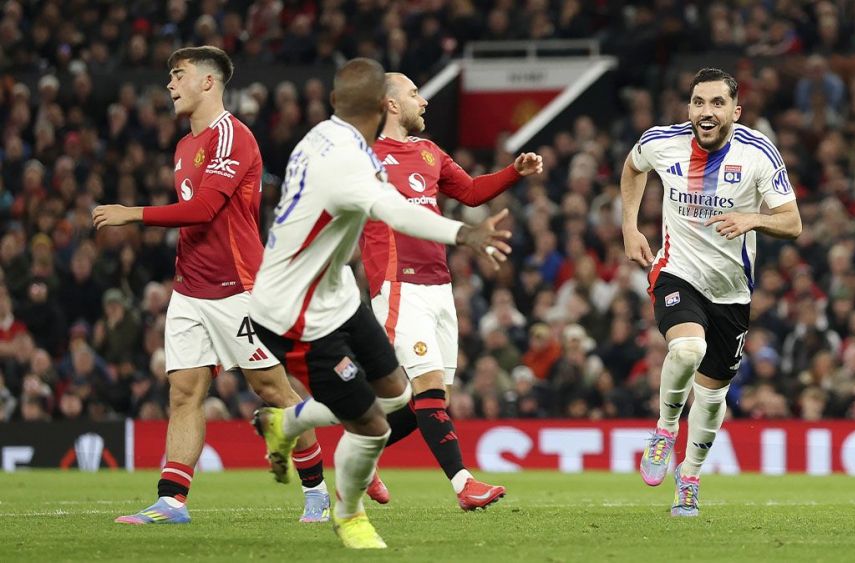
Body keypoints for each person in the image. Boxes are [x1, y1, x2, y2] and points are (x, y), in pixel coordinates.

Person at [249, 58, 511, 549]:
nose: (423, 100)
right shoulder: (348, 159)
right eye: (412, 93)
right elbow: (396, 212)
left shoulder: (342, 144)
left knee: (397, 399)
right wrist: (465, 234)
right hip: (298, 310)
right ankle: (353, 516)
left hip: (342, 295)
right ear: (379, 106)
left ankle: (289, 421)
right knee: (371, 423)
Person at [93, 46, 326, 525]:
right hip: (190, 290)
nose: (170, 85)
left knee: (273, 390)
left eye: (178, 75)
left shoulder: (233, 137)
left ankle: (318, 494)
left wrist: (132, 213)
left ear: (208, 82)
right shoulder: (184, 146)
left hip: (239, 288)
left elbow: (204, 209)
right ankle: (172, 500)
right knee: (183, 392)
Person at [620, 68, 801, 517]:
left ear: (734, 111)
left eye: (717, 103)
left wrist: (753, 219)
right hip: (677, 272)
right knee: (686, 349)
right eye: (699, 102)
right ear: (689, 107)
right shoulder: (662, 141)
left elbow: (793, 223)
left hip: (732, 292)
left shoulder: (758, 152)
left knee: (713, 395)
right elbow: (632, 167)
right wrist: (628, 226)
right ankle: (664, 431)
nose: (706, 111)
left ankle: (690, 479)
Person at [359, 72, 543, 509]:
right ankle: (464, 485)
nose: (423, 101)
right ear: (388, 104)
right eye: (414, 93)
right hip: (399, 284)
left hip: (440, 285)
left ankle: (359, 459)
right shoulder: (364, 157)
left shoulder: (428, 152)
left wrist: (512, 173)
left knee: (430, 397)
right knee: (426, 386)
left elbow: (472, 192)